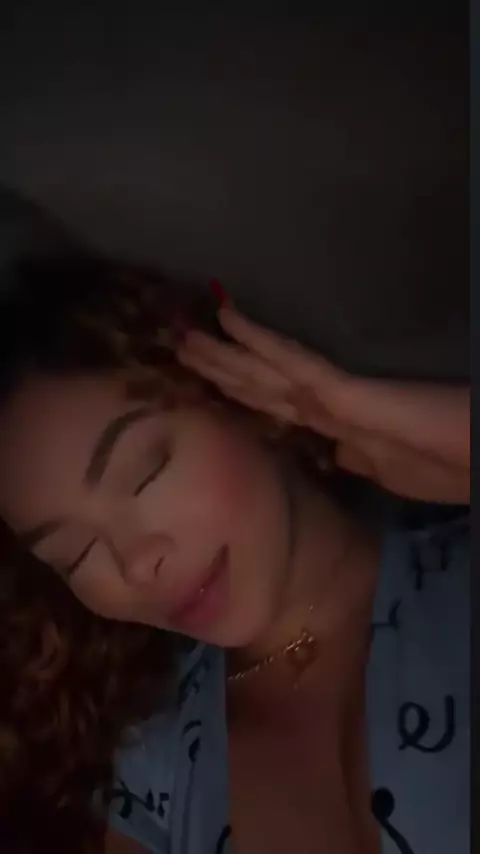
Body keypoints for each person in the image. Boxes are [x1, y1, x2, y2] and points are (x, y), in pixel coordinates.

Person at [0, 252, 469, 854]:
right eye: (74, 554)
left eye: (146, 473)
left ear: (237, 395)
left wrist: (429, 435)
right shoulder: (153, 766)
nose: (137, 565)